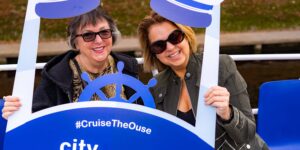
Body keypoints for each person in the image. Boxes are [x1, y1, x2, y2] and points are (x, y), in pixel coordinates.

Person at [138, 12, 268, 149]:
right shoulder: (156, 86)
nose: (170, 47)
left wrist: (227, 113)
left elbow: (248, 134)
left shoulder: (221, 65)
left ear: (186, 36)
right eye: (159, 45)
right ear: (153, 53)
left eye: (175, 37)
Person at [2, 7, 138, 119]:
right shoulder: (57, 76)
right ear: (75, 42)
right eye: (88, 35)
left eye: (104, 32)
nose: (98, 40)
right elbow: (36, 119)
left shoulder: (129, 68)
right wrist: (15, 112)